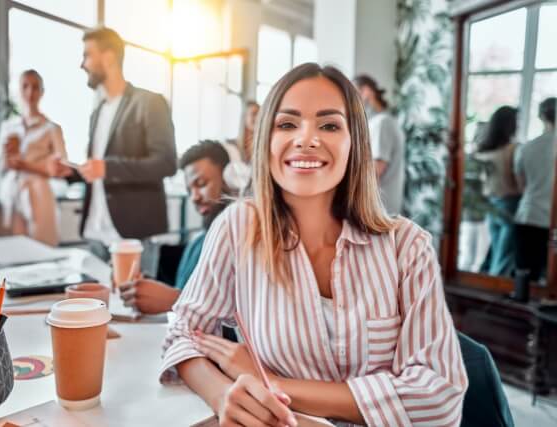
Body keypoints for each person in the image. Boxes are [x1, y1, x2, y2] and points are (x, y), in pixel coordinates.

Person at [160, 63, 467, 426]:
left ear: (355, 143)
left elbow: (439, 398)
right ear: (267, 142)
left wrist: (270, 384)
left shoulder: (408, 247)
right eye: (287, 124)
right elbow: (183, 332)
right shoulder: (240, 227)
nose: (306, 139)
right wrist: (221, 392)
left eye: (329, 125)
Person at [52, 27, 177, 259]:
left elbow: (166, 163)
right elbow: (98, 169)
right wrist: (72, 172)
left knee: (133, 297)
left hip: (133, 233)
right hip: (95, 232)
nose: (83, 64)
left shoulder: (150, 103)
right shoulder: (97, 112)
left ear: (108, 57)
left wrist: (107, 168)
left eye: (87, 55)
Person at [119, 140, 232, 314]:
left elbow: (239, 317)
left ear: (229, 178)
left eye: (201, 184)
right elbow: (183, 291)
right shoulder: (198, 243)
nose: (194, 197)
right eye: (189, 190)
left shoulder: (240, 242)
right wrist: (151, 292)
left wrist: (175, 300)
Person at [0, 69, 67, 246]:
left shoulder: (52, 129)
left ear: (42, 92)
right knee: (14, 250)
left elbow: (62, 168)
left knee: (42, 246)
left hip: (39, 192)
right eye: (25, 86)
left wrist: (26, 165)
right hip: (13, 193)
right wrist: (8, 160)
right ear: (18, 90)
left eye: (35, 87)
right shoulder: (8, 128)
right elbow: (0, 166)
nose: (30, 92)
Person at [474, 106, 522, 277]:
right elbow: (517, 181)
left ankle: (491, 291)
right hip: (509, 204)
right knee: (503, 257)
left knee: (497, 251)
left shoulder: (483, 149)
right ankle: (495, 296)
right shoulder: (513, 149)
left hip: (491, 204)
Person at [514, 97, 557, 282]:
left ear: (541, 116)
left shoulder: (526, 148)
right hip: (554, 220)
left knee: (524, 276)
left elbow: (521, 186)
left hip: (528, 214)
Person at [354, 74, 405, 215]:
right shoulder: (378, 122)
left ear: (366, 92)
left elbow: (376, 170)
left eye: (354, 94)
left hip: (380, 210)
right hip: (378, 209)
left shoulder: (382, 123)